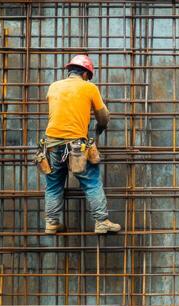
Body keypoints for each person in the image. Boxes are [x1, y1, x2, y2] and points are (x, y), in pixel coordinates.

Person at [43, 55, 121, 234]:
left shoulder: (54, 86)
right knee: (92, 182)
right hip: (76, 146)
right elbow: (103, 116)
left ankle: (52, 222)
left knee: (54, 184)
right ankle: (102, 221)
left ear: (70, 71)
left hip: (52, 145)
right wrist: (100, 127)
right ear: (85, 74)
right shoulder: (89, 87)